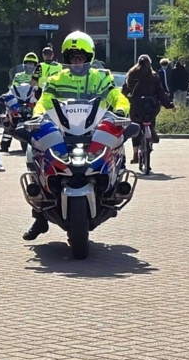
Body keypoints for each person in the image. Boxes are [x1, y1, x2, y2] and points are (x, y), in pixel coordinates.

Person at [24, 31, 130, 241]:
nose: (77, 62)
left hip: (93, 128)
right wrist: (36, 117)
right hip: (64, 130)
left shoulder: (101, 76)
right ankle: (39, 216)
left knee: (117, 146)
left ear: (88, 58)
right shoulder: (56, 79)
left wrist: (120, 112)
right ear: (67, 59)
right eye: (73, 58)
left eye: (80, 58)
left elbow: (117, 96)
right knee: (35, 153)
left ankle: (112, 189)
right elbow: (44, 100)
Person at [122, 55, 173, 163]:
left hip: (136, 105)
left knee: (135, 128)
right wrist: (169, 105)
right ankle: (151, 131)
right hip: (151, 105)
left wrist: (122, 101)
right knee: (150, 120)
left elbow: (125, 89)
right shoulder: (154, 76)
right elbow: (160, 92)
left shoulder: (132, 74)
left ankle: (135, 155)